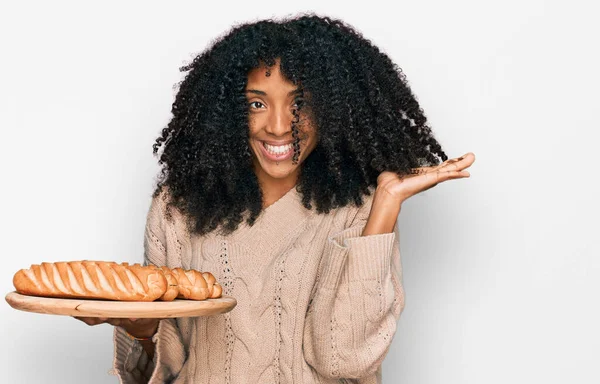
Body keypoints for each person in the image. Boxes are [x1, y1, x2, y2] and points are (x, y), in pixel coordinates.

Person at [74, 13, 475, 384]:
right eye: (256, 104)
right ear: (227, 111)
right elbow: (162, 369)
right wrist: (140, 330)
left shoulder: (358, 206)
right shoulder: (177, 208)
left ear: (334, 108)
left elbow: (345, 359)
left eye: (300, 103)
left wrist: (386, 204)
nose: (280, 126)